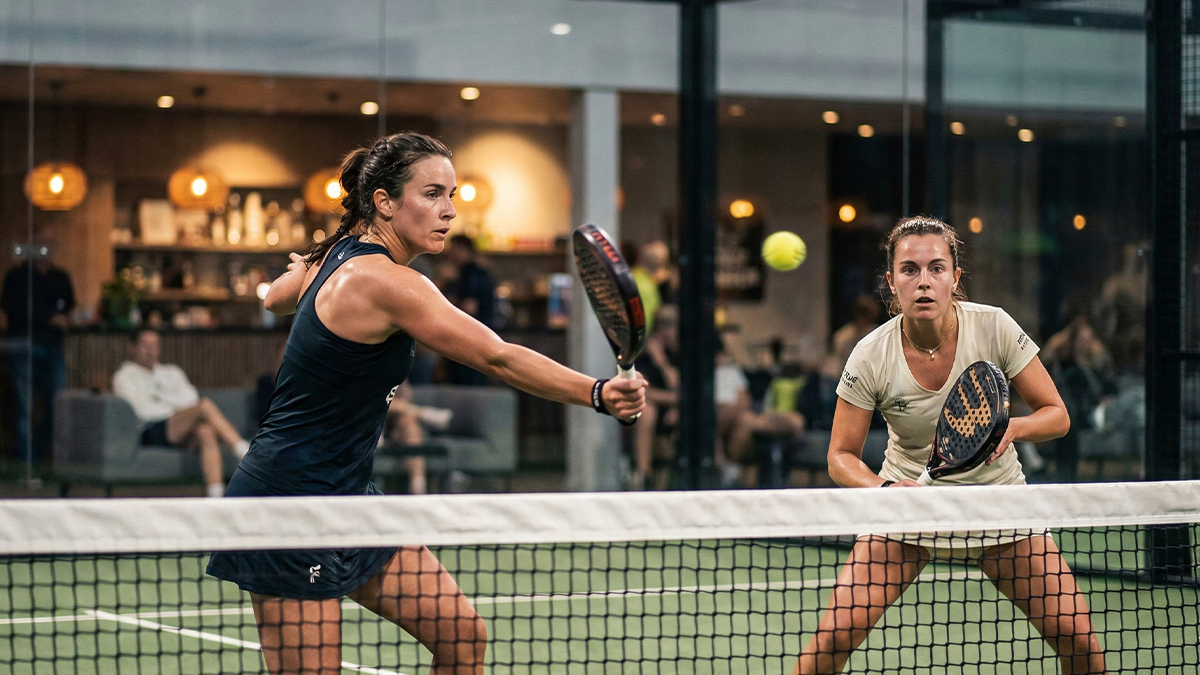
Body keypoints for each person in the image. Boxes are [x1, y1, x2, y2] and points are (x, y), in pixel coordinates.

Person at [206, 132, 645, 675]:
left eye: (452, 195)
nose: (450, 211)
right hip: (288, 502)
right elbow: (498, 358)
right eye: (433, 194)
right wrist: (599, 393)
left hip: (348, 496)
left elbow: (274, 298)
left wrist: (301, 269)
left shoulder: (334, 252)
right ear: (385, 203)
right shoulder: (388, 282)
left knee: (463, 638)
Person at [795, 216, 1106, 675]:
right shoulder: (870, 354)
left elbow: (1056, 415)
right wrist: (884, 490)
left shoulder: (994, 326)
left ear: (955, 278)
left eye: (937, 268)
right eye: (910, 270)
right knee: (835, 637)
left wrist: (1013, 430)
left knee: (1079, 641)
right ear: (891, 281)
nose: (924, 281)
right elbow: (840, 456)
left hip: (998, 505)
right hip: (909, 510)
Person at [112, 329, 251, 498]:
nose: (151, 350)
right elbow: (142, 410)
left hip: (179, 427)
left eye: (155, 345)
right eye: (145, 345)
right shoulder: (124, 376)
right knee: (204, 406)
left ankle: (216, 497)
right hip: (151, 429)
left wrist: (169, 406)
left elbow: (190, 398)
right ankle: (247, 454)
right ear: (132, 347)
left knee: (205, 431)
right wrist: (177, 410)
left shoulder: (171, 372)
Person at [0, 228, 74, 473]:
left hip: (52, 346)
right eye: (41, 242)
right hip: (23, 345)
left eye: (50, 243)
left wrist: (63, 319)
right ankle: (26, 462)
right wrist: (49, 317)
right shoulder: (17, 276)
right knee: (25, 406)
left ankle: (39, 455)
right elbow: (14, 310)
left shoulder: (60, 277)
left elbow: (69, 307)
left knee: (58, 404)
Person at [1042, 315, 1116, 482]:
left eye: (1090, 339)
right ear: (1074, 341)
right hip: (1078, 412)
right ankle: (1066, 477)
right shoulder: (1067, 366)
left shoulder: (1096, 365)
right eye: (1083, 339)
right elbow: (1045, 364)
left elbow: (1111, 387)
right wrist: (1057, 342)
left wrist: (1100, 354)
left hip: (1099, 410)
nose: (1088, 343)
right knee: (1068, 419)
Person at [630, 304, 679, 490]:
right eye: (667, 325)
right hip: (648, 410)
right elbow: (643, 391)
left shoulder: (678, 354)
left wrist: (663, 363)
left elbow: (679, 388)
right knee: (647, 411)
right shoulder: (642, 355)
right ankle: (644, 476)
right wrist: (673, 400)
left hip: (675, 411)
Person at [444, 234, 494, 386]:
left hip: (471, 340)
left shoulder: (472, 275)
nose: (451, 253)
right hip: (471, 340)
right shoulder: (466, 273)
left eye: (456, 249)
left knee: (470, 388)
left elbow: (469, 308)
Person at [830, 294, 880, 364]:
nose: (863, 317)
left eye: (866, 313)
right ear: (854, 313)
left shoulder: (881, 335)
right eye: (861, 312)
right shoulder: (841, 337)